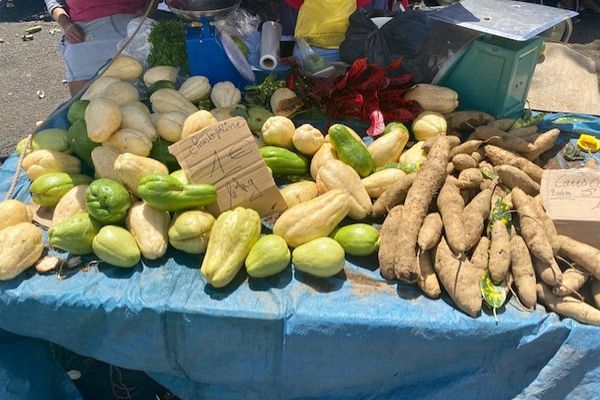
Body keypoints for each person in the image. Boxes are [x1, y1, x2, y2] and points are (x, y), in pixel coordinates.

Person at [44, 0, 155, 96]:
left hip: (132, 22)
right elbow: (54, 2)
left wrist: (149, 8)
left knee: (152, 82)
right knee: (84, 99)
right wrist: (66, 24)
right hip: (85, 28)